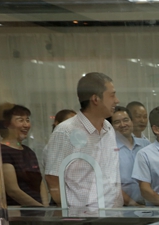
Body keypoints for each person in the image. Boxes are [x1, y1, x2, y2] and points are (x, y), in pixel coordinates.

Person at [44, 72, 123, 209]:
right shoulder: (65, 132)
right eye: (112, 95)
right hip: (83, 216)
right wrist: (71, 215)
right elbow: (53, 179)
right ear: (95, 99)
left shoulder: (108, 128)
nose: (117, 100)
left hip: (113, 212)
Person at [0, 103, 48, 206]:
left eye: (27, 120)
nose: (26, 125)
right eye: (20, 120)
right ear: (7, 124)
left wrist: (46, 207)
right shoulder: (2, 151)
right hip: (18, 212)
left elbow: (40, 182)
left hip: (37, 211)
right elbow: (13, 191)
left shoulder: (29, 151)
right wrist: (40, 208)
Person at [111, 106, 149, 206]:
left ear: (132, 122)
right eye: (117, 122)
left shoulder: (146, 145)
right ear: (111, 126)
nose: (123, 125)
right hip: (124, 208)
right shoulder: (110, 150)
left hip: (150, 205)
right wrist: (134, 205)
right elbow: (112, 187)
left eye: (126, 120)